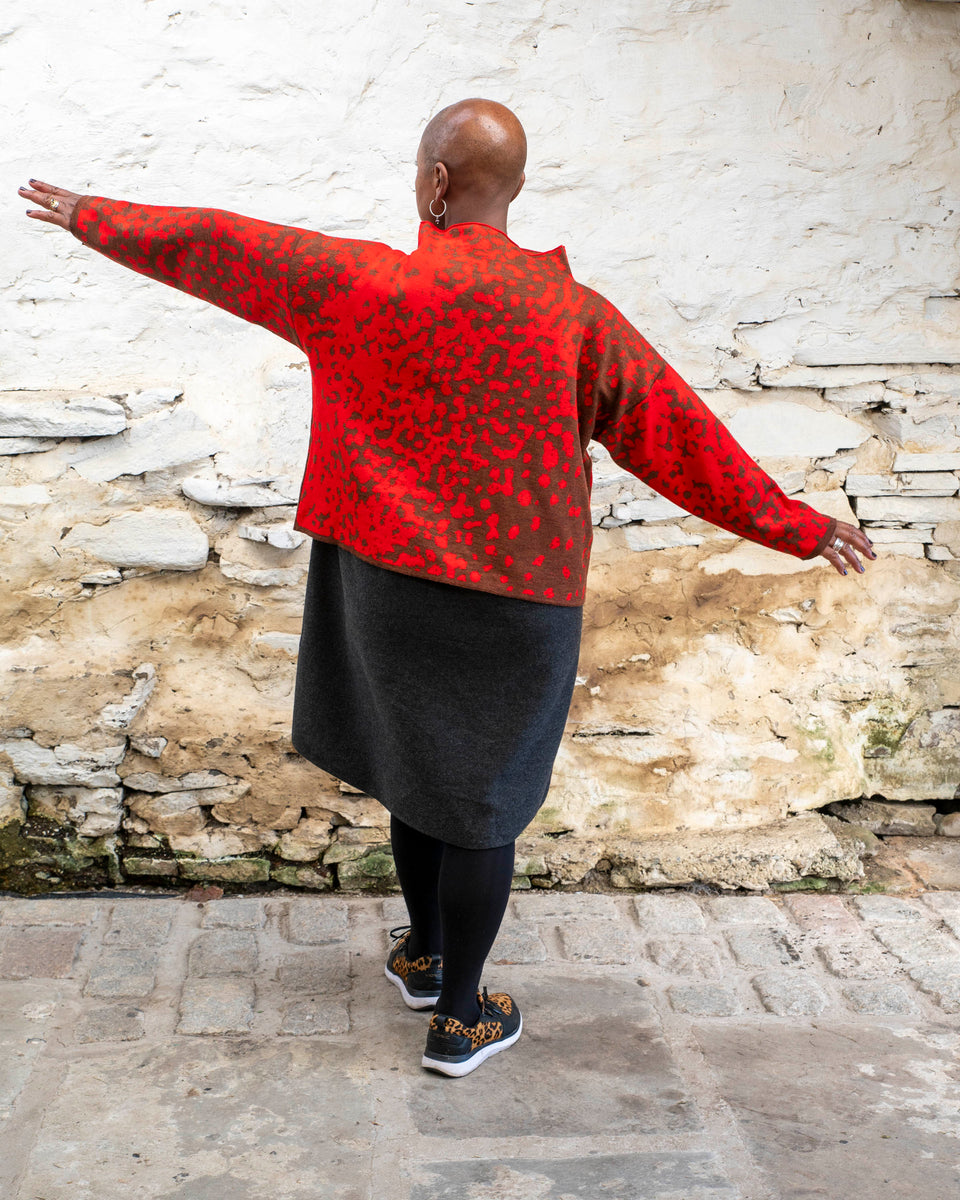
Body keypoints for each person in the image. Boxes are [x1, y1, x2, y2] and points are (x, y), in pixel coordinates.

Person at [20, 97, 876, 1078]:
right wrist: (799, 527)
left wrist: (95, 214)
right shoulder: (578, 320)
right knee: (482, 800)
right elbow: (682, 440)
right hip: (520, 603)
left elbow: (226, 246)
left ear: (433, 181)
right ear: (511, 190)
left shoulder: (359, 286)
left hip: (385, 586)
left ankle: (433, 966)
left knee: (417, 767)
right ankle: (457, 1007)